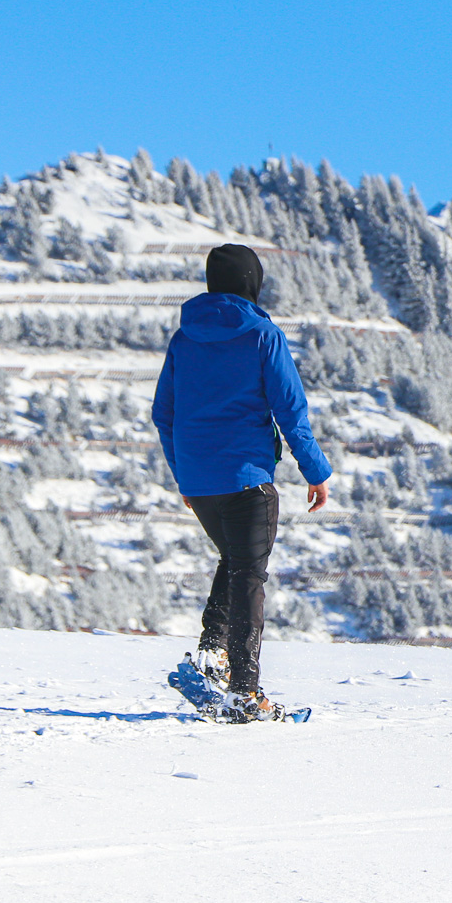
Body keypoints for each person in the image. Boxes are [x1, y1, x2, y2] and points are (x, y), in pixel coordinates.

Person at [152, 244, 332, 721]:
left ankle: (212, 660)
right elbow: (290, 411)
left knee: (235, 563)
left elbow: (163, 414)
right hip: (248, 481)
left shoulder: (183, 339)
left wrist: (184, 476)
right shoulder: (262, 335)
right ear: (253, 282)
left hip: (200, 482)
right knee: (248, 579)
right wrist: (316, 471)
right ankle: (243, 692)